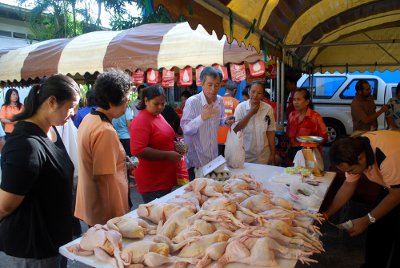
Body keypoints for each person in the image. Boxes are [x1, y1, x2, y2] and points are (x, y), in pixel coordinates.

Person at [0, 75, 80, 267]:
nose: (73, 113)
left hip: (55, 242)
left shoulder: (51, 130)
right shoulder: (25, 144)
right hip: (31, 249)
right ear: (51, 102)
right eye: (71, 107)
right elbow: (5, 206)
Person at [323, 130, 400, 268]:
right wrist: (327, 214)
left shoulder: (388, 157)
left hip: (397, 187)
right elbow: (348, 185)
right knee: (378, 228)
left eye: (351, 170)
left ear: (361, 158)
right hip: (393, 184)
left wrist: (366, 220)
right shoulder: (355, 149)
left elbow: (396, 196)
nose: (350, 174)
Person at [75, 70, 130, 227]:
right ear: (112, 102)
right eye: (125, 100)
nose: (127, 105)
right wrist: (110, 220)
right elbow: (103, 179)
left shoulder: (89, 118)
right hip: (107, 211)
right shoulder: (105, 130)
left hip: (92, 203)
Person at [181, 66, 233, 180]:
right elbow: (185, 129)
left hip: (213, 158)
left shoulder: (219, 100)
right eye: (210, 85)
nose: (213, 89)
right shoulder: (192, 102)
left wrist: (226, 121)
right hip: (196, 161)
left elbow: (220, 120)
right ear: (202, 83)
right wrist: (202, 117)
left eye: (217, 85)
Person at [130, 85, 181, 203]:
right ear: (146, 101)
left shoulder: (157, 115)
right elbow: (138, 150)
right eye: (156, 104)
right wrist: (167, 155)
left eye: (163, 104)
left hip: (165, 178)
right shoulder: (141, 120)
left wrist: (174, 145)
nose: (160, 107)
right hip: (153, 182)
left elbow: (161, 137)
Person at [233, 80, 276, 165]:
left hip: (264, 155)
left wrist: (273, 153)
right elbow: (235, 129)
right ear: (249, 92)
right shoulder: (240, 108)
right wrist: (250, 113)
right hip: (245, 156)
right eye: (253, 92)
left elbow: (270, 132)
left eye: (259, 93)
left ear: (263, 95)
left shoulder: (268, 109)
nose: (255, 95)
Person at [286, 88, 328, 160]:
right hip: (293, 154)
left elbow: (324, 137)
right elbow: (288, 135)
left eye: (298, 99)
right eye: (294, 99)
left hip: (310, 155)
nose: (295, 102)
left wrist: (311, 144)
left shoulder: (315, 117)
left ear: (307, 102)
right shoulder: (291, 115)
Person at [217, 80, 240, 156]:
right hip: (230, 138)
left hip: (217, 138)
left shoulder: (217, 101)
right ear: (234, 90)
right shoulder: (237, 102)